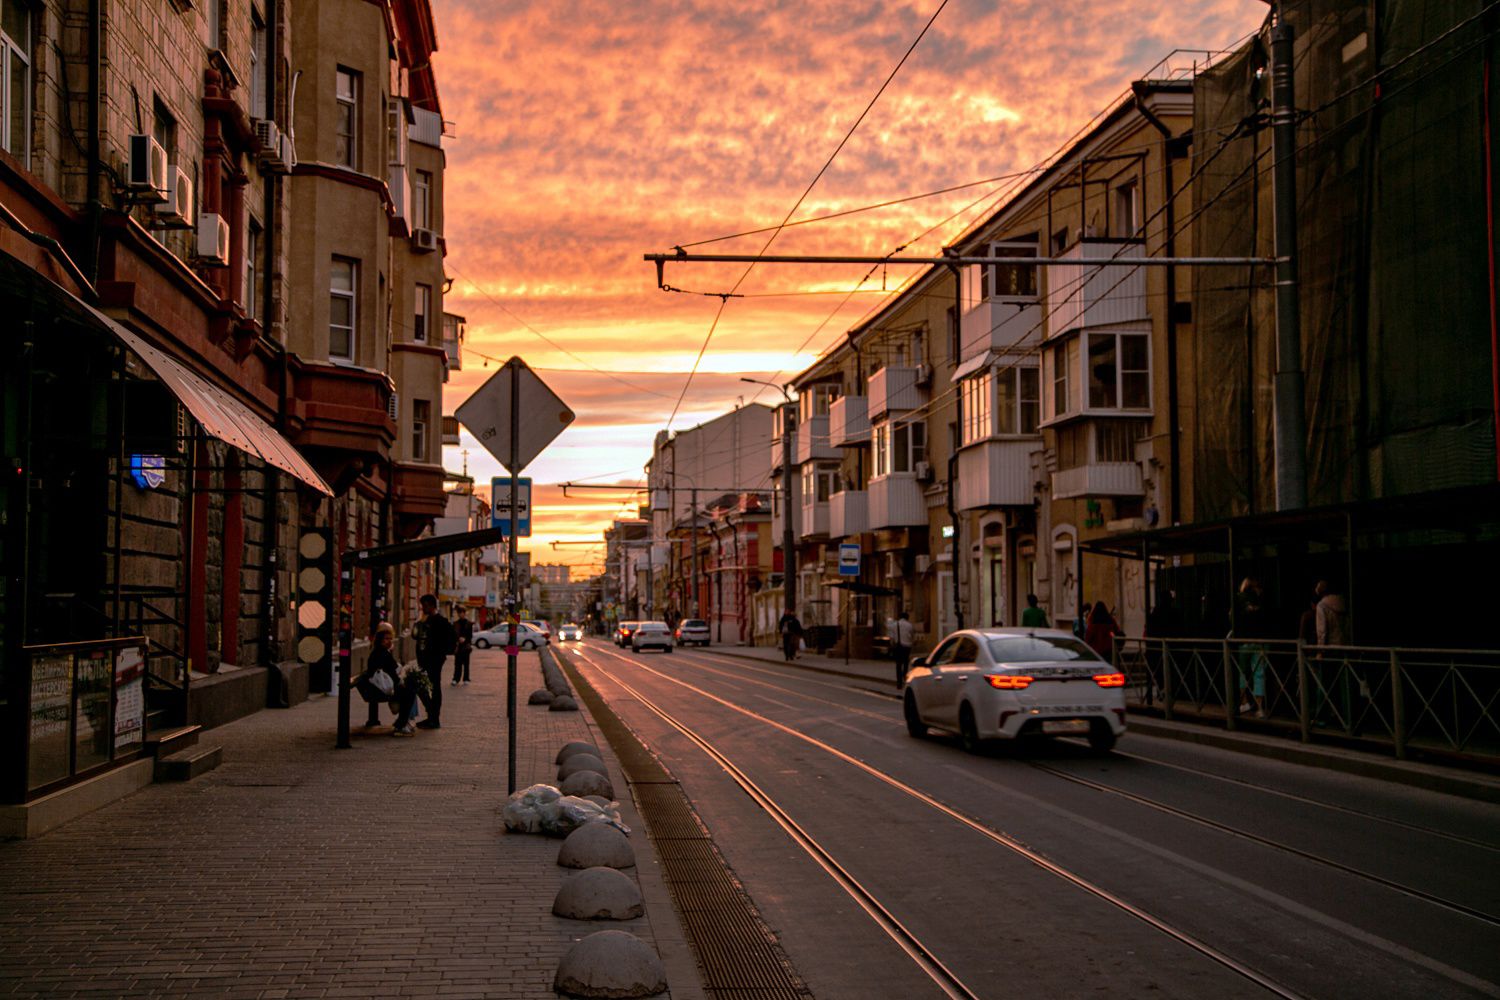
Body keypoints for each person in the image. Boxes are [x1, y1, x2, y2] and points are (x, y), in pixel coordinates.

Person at [413, 594, 456, 729]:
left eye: (424, 606)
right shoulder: (424, 621)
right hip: (424, 660)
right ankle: (430, 715)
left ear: (431, 605)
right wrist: (421, 622)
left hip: (434, 660)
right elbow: (415, 635)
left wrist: (441, 653)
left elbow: (452, 637)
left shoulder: (440, 621)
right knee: (424, 687)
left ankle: (434, 718)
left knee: (434, 687)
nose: (422, 608)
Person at [1233, 577, 1269, 717]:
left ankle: (1244, 703)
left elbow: (1231, 617)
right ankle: (1260, 707)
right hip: (1258, 640)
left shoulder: (1237, 599)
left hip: (1242, 640)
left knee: (1241, 673)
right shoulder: (1260, 600)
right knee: (1259, 673)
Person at [355, 623, 402, 727]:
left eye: (390, 639)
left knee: (407, 690)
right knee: (409, 692)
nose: (389, 641)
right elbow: (394, 671)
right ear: (380, 640)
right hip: (379, 689)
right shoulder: (383, 653)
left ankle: (403, 721)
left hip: (374, 688)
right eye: (386, 639)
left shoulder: (378, 651)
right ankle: (403, 721)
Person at [890, 610, 914, 690]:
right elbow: (912, 635)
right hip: (907, 646)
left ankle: (899, 682)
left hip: (898, 646)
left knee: (898, 664)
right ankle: (905, 677)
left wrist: (892, 646)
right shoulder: (909, 625)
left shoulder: (894, 625)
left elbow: (892, 638)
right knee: (906, 663)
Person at [451, 608, 474, 686]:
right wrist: (458, 639)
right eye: (459, 613)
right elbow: (453, 635)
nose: (460, 614)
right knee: (457, 664)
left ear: (464, 613)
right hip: (458, 647)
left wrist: (465, 639)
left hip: (466, 646)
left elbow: (470, 636)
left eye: (462, 613)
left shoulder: (469, 624)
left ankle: (466, 678)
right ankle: (456, 679)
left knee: (466, 664)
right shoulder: (455, 624)